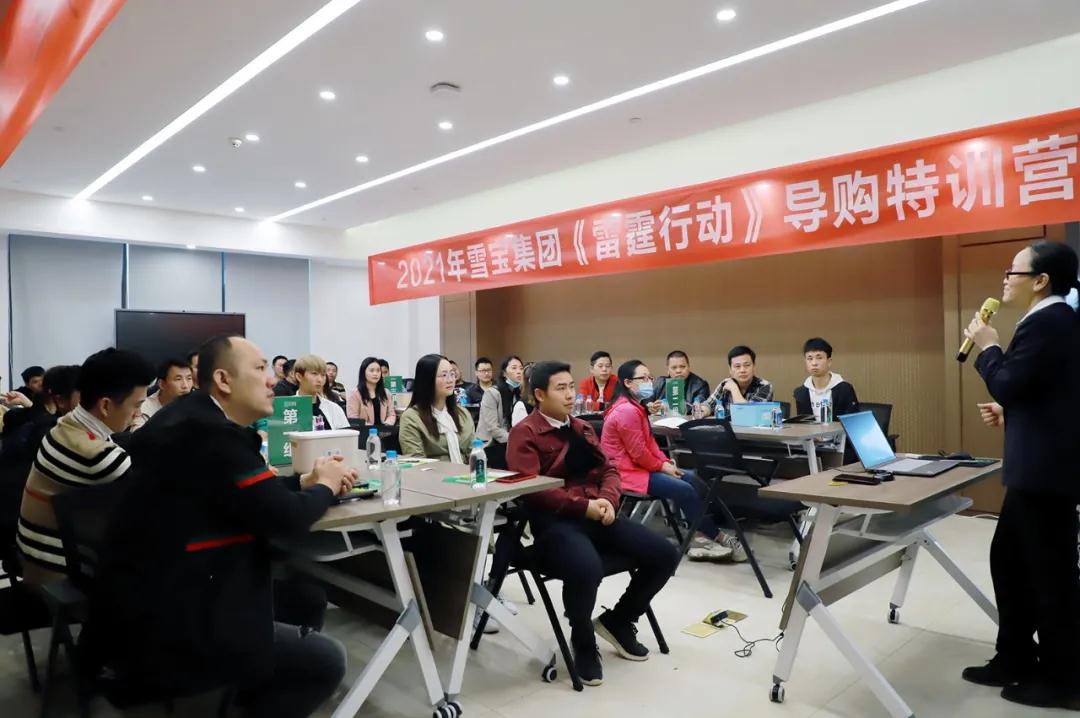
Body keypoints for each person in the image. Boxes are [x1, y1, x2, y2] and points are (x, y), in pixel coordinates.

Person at [88, 335, 354, 718]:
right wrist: (326, 485)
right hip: (177, 614)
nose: (271, 379)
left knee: (306, 597)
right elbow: (287, 520)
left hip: (145, 597)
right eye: (259, 368)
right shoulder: (212, 436)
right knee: (328, 660)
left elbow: (241, 494)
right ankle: (246, 686)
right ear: (224, 380)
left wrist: (302, 483)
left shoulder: (188, 418)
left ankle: (250, 687)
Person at [960, 241, 1080, 710]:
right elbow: (1049, 393)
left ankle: (1063, 680)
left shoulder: (1051, 321)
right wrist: (1011, 412)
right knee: (1009, 560)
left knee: (1050, 574)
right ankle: (1013, 656)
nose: (1006, 278)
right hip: (1037, 466)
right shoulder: (1049, 321)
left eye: (1014, 271)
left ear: (1041, 280)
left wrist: (989, 347)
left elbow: (1009, 381)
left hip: (1046, 473)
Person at [507, 361, 679, 685]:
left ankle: (619, 620)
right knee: (587, 568)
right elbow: (532, 491)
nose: (570, 395)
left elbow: (609, 470)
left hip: (598, 514)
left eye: (572, 386)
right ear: (540, 395)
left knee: (665, 554)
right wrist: (584, 507)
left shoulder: (582, 428)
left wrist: (609, 500)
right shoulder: (525, 433)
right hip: (556, 524)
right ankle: (582, 638)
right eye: (561, 389)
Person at [16, 349, 152, 586]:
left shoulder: (65, 424)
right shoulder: (98, 456)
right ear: (105, 405)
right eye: (137, 405)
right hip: (58, 574)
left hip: (33, 556)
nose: (138, 414)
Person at [600, 360, 738, 562]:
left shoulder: (635, 406)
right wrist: (662, 466)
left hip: (641, 467)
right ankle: (714, 535)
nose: (649, 382)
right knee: (684, 489)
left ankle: (699, 534)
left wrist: (666, 462)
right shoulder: (626, 410)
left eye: (650, 377)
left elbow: (650, 444)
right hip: (626, 472)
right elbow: (639, 453)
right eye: (643, 378)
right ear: (628, 383)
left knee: (693, 479)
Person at [398, 354, 475, 462]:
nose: (450, 380)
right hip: (434, 472)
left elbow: (474, 453)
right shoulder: (411, 417)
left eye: (452, 374)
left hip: (466, 472)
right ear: (427, 380)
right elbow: (417, 462)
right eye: (444, 375)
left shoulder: (463, 413)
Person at [477, 355, 524, 468]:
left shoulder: (520, 393)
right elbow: (493, 428)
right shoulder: (492, 393)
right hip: (491, 444)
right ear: (504, 373)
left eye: (521, 368)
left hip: (510, 443)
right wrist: (516, 440)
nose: (519, 371)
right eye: (514, 368)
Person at [793, 338, 858, 419]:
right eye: (810, 358)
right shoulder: (801, 393)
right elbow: (802, 424)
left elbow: (853, 421)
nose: (814, 363)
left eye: (819, 358)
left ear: (829, 362)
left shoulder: (845, 389)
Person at [706, 345, 774, 416]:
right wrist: (703, 411)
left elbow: (748, 414)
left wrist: (734, 389)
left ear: (754, 366)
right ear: (730, 369)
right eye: (737, 366)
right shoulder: (726, 383)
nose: (742, 370)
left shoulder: (765, 386)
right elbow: (709, 404)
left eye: (747, 365)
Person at [132, 357, 194, 431]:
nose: (185, 386)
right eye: (178, 379)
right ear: (162, 384)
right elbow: (137, 435)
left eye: (189, 378)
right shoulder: (144, 409)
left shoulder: (197, 404)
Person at [294, 355, 349, 430]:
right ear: (299, 377)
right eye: (314, 374)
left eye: (323, 375)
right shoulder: (287, 409)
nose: (320, 379)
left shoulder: (334, 408)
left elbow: (345, 435)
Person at [346, 356, 397, 427]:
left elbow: (391, 414)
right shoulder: (354, 394)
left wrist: (386, 425)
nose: (375, 374)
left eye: (378, 371)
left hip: (384, 431)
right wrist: (373, 429)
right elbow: (353, 418)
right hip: (364, 431)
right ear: (363, 372)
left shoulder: (386, 393)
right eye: (372, 370)